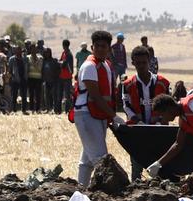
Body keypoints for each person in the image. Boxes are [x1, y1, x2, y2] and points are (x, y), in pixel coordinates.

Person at [71, 31, 122, 188]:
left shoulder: (106, 65)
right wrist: (113, 116)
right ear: (92, 47)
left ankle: (81, 191)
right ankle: (104, 194)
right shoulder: (89, 66)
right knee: (101, 160)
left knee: (87, 161)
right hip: (87, 114)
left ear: (109, 49)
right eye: (97, 46)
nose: (100, 49)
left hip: (98, 115)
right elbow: (95, 96)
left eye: (104, 46)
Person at [121, 45, 171, 179]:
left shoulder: (163, 83)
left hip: (160, 130)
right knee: (136, 163)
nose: (141, 66)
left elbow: (168, 106)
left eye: (144, 62)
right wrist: (139, 122)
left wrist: (161, 121)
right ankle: (134, 189)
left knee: (160, 164)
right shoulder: (127, 84)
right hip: (137, 130)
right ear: (133, 63)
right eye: (138, 63)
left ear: (149, 61)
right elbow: (126, 106)